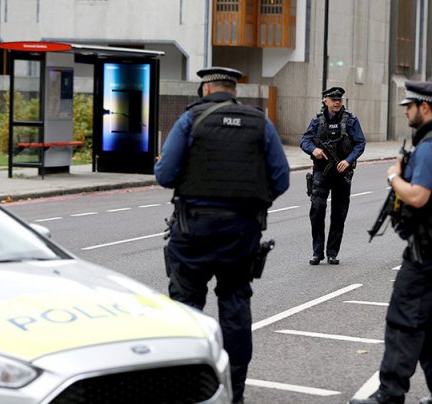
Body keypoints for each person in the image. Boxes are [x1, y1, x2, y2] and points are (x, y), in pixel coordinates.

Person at [155, 66, 290, 404]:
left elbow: (165, 174)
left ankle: (187, 389)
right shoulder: (260, 122)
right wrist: (253, 203)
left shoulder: (191, 120)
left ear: (205, 90)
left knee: (187, 309)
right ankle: (235, 392)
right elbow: (281, 178)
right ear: (235, 91)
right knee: (235, 306)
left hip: (193, 229)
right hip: (240, 232)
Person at [351, 81, 432, 404]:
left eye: (410, 105)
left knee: (403, 318)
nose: (406, 110)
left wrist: (394, 176)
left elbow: (418, 197)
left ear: (425, 107)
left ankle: (390, 395)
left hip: (429, 251)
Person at [300, 87, 366, 265]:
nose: (337, 102)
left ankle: (332, 253)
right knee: (317, 210)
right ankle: (317, 252)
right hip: (322, 171)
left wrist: (349, 159)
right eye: (333, 99)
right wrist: (314, 149)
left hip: (342, 172)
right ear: (325, 101)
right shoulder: (317, 121)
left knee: (339, 213)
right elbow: (304, 140)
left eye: (339, 99)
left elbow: (360, 143)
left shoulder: (351, 121)